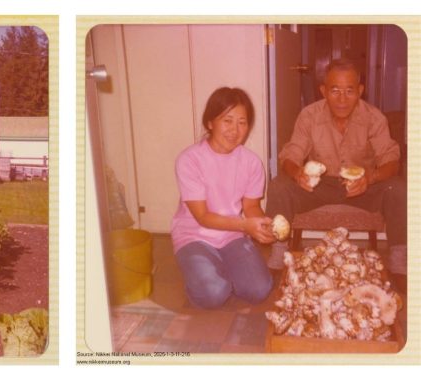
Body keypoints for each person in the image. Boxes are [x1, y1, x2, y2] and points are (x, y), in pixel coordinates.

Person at [266, 59, 405, 275]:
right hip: (318, 186)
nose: (342, 99)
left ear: (360, 91)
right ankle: (278, 255)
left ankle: (399, 260)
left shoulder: (374, 118)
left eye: (349, 91)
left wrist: (370, 179)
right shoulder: (309, 116)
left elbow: (392, 161)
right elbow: (291, 155)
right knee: (279, 186)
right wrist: (297, 174)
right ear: (323, 91)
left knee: (397, 188)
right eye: (335, 91)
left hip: (363, 187)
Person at [170, 87, 273, 309]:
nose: (235, 130)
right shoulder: (189, 160)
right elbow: (202, 217)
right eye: (227, 121)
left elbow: (251, 206)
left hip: (231, 234)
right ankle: (200, 274)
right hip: (194, 235)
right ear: (210, 122)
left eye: (242, 122)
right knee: (213, 294)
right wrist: (245, 225)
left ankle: (218, 269)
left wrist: (262, 225)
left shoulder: (252, 162)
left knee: (259, 289)